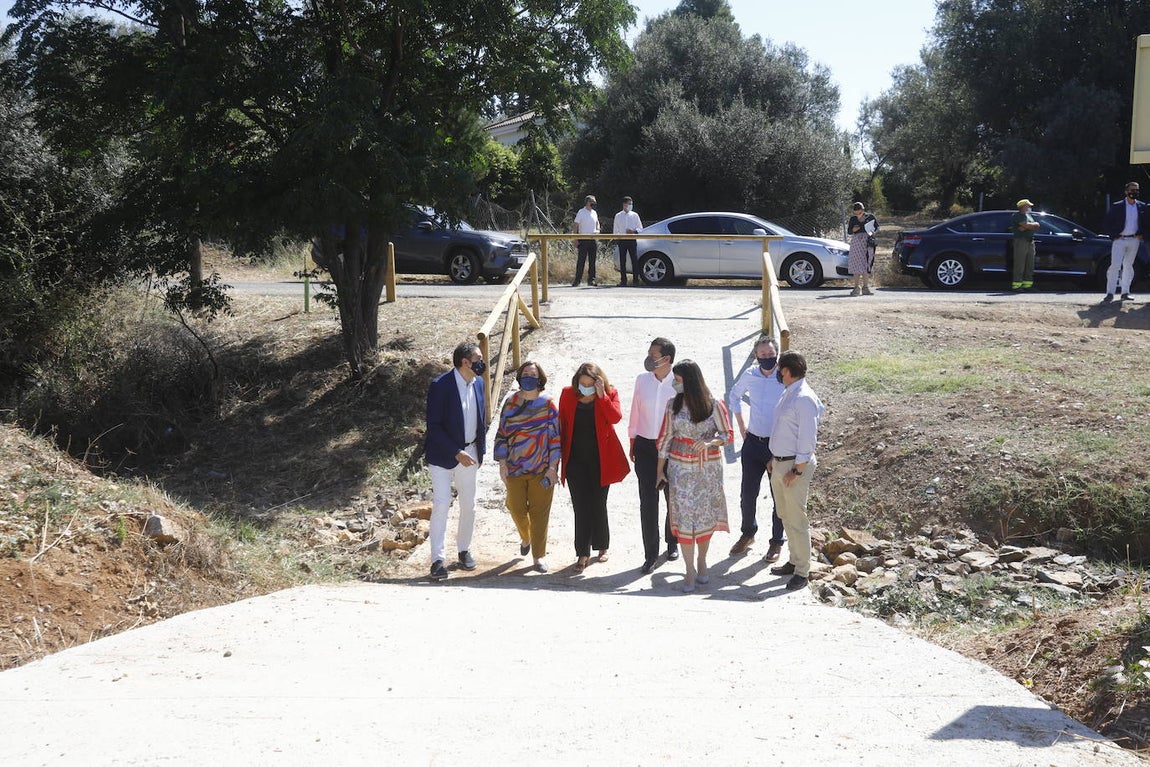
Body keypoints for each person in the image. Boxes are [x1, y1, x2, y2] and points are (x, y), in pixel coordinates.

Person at [655, 360, 732, 592]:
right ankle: (689, 570)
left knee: (705, 515)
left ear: (691, 381)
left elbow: (727, 434)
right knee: (684, 517)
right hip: (679, 470)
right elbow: (665, 439)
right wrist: (659, 470)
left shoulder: (714, 404)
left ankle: (702, 560)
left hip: (708, 469)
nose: (675, 384)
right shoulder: (672, 405)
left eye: (678, 380)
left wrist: (710, 442)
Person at [425, 341, 487, 581]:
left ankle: (464, 550)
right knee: (442, 505)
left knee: (469, 505)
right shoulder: (440, 385)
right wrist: (456, 452)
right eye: (478, 358)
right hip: (443, 456)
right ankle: (437, 560)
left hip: (470, 454)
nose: (482, 362)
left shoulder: (479, 383)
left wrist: (480, 452)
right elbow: (434, 426)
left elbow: (481, 420)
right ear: (465, 362)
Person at [559, 362, 629, 572]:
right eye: (583, 384)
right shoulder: (568, 394)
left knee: (598, 503)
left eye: (590, 384)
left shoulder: (610, 393)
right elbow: (561, 424)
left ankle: (602, 545)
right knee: (580, 506)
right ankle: (582, 552)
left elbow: (615, 417)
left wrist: (602, 396)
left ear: (599, 381)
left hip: (601, 460)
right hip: (575, 460)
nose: (586, 388)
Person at [494, 361, 561, 573]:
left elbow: (555, 437)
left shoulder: (548, 404)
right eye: (525, 373)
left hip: (542, 468)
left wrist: (553, 468)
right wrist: (502, 464)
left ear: (540, 379)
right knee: (516, 508)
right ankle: (526, 537)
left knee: (540, 514)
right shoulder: (510, 402)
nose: (528, 377)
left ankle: (538, 556)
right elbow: (502, 434)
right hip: (514, 468)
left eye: (533, 374)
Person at [768, 351, 825, 592]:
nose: (777, 373)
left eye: (779, 368)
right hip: (780, 464)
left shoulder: (803, 398)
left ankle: (802, 571)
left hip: (793, 467)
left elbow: (807, 440)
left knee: (797, 519)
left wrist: (797, 471)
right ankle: (794, 560)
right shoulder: (789, 392)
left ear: (786, 371)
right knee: (785, 515)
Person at [726, 337, 787, 563]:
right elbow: (734, 395)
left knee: (778, 495)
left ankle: (776, 541)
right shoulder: (750, 374)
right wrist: (741, 426)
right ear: (756, 356)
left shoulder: (784, 376)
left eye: (770, 354)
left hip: (777, 445)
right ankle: (748, 533)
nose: (767, 358)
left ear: (777, 354)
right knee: (748, 493)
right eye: (762, 355)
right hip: (752, 442)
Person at [628, 337, 679, 574]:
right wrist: (632, 440)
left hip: (672, 448)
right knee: (648, 502)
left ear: (666, 358)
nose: (648, 358)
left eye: (653, 354)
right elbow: (635, 411)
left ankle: (672, 541)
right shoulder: (642, 380)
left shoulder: (679, 382)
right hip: (645, 447)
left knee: (672, 499)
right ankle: (650, 554)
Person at [1101, 181, 1148, 303]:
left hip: (1134, 240)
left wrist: (1141, 234)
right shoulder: (1118, 206)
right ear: (1126, 192)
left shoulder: (1142, 206)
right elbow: (1107, 223)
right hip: (1120, 239)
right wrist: (1114, 236)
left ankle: (1125, 292)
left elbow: (1145, 223)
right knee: (1115, 266)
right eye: (1132, 190)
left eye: (1137, 190)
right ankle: (1110, 293)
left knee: (1128, 266)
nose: (1135, 192)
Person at [846, 202, 878, 296]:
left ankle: (866, 288)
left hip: (868, 241)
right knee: (856, 263)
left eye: (859, 211)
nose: (858, 213)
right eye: (856, 212)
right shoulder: (853, 219)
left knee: (866, 263)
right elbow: (849, 231)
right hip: (856, 242)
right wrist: (854, 230)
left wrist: (874, 232)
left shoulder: (870, 217)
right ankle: (856, 287)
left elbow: (877, 227)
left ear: (863, 210)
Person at [1009, 199, 1039, 292]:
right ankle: (1017, 286)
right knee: (1020, 264)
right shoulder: (1017, 216)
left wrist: (1030, 226)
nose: (1029, 207)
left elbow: (1037, 225)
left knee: (1030, 264)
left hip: (1030, 242)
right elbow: (1025, 226)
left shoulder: (1028, 215)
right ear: (1022, 206)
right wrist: (1030, 226)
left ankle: (1027, 285)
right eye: (1028, 205)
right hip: (1021, 241)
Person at [612, 195, 643, 286]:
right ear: (624, 204)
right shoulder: (618, 216)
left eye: (631, 204)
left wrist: (633, 231)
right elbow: (615, 230)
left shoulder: (635, 215)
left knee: (634, 260)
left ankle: (636, 281)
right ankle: (623, 281)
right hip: (622, 241)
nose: (630, 206)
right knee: (622, 261)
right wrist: (618, 239)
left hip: (632, 240)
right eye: (629, 204)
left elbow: (640, 228)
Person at [573, 195, 600, 287]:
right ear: (588, 202)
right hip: (583, 239)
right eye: (593, 202)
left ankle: (591, 280)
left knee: (592, 261)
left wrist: (598, 230)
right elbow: (576, 225)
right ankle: (577, 280)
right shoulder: (581, 212)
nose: (594, 203)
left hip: (593, 239)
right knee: (581, 261)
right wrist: (575, 238)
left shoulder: (594, 213)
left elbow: (597, 223)